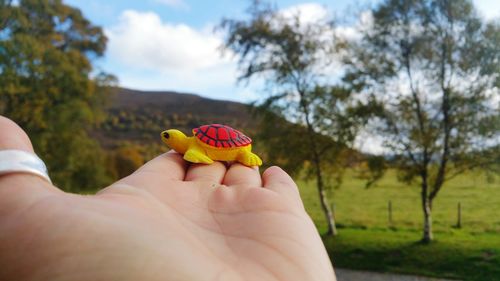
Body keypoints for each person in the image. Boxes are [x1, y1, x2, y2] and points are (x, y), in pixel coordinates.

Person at [0, 116, 336, 281]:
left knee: (240, 160)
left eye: (167, 137)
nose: (166, 140)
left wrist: (217, 155)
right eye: (167, 137)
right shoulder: (187, 147)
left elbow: (200, 156)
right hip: (238, 149)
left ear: (177, 139)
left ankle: (245, 157)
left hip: (239, 149)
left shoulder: (192, 147)